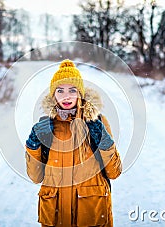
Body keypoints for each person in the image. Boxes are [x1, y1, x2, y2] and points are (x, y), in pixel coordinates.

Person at [25, 59, 122, 227]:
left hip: (91, 216)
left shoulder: (97, 122)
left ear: (80, 93)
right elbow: (35, 177)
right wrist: (33, 146)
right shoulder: (46, 127)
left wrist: (103, 139)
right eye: (60, 90)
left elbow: (114, 172)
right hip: (55, 218)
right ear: (53, 95)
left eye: (72, 90)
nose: (66, 96)